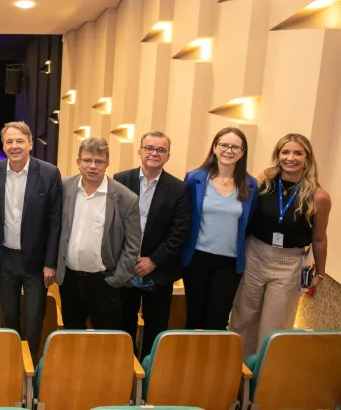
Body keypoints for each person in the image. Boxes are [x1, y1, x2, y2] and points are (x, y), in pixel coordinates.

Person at [230, 134, 331, 357]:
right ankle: (236, 373)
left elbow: (320, 238)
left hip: (289, 264)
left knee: (274, 327)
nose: (290, 158)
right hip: (255, 254)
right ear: (278, 155)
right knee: (243, 319)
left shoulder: (319, 196)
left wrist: (319, 274)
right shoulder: (263, 182)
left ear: (307, 158)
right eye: (285, 152)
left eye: (298, 153)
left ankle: (261, 382)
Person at [0, 121, 62, 360]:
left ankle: (31, 367)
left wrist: (50, 263)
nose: (14, 146)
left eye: (20, 141)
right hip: (4, 259)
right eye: (9, 141)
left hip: (36, 263)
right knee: (7, 317)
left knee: (33, 318)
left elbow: (55, 221)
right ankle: (10, 364)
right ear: (3, 145)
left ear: (30, 143)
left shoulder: (49, 173)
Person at [113, 131, 191, 359]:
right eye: (149, 148)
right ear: (140, 151)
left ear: (167, 156)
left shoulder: (179, 188)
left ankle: (148, 376)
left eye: (160, 150)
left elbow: (180, 232)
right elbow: (111, 224)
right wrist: (127, 259)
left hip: (159, 270)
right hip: (124, 268)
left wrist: (153, 260)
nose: (154, 153)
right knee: (123, 326)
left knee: (155, 329)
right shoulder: (120, 180)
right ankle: (124, 372)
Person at [56, 137, 141, 331]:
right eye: (87, 160)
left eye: (99, 161)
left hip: (105, 283)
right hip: (69, 280)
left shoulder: (126, 198)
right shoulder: (63, 187)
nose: (92, 166)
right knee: (71, 336)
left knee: (105, 343)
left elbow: (133, 245)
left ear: (107, 164)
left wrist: (117, 279)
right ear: (78, 162)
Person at [182, 127, 258, 330]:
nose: (229, 150)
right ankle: (191, 361)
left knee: (217, 321)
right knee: (194, 317)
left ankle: (213, 362)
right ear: (215, 148)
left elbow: (248, 222)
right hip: (197, 259)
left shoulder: (250, 185)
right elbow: (184, 217)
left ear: (242, 153)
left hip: (229, 264)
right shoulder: (195, 179)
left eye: (235, 147)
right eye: (224, 145)